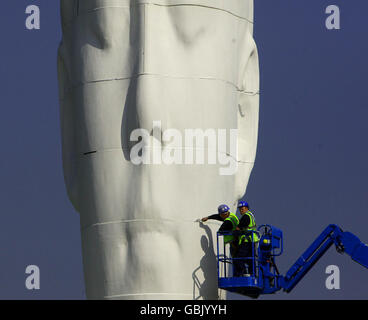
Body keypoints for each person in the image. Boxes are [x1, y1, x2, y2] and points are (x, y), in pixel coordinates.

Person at [236, 201, 260, 276]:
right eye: (240, 209)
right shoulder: (251, 215)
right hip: (252, 240)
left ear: (246, 208)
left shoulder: (246, 216)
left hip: (247, 240)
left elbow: (238, 228)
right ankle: (252, 274)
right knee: (250, 258)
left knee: (238, 258)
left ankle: (243, 273)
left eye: (242, 209)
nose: (241, 210)